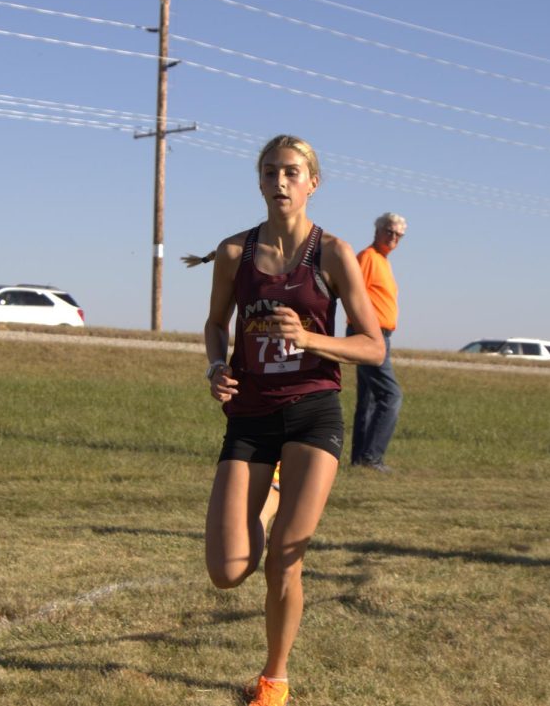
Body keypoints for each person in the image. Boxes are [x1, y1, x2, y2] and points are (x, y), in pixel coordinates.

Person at [203, 134, 385, 706]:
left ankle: (274, 678)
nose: (280, 182)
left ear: (312, 182)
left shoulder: (331, 252)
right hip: (250, 414)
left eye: (291, 172)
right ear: (259, 182)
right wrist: (215, 366)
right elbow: (215, 324)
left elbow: (373, 346)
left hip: (312, 409)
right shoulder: (234, 253)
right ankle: (274, 488)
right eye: (270, 172)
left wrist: (307, 337)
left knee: (285, 554)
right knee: (228, 570)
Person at [348, 212, 407, 472]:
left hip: (379, 335)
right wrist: (365, 332)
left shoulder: (383, 260)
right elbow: (352, 293)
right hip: (370, 335)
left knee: (369, 399)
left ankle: (361, 459)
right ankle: (372, 458)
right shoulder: (368, 258)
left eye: (398, 235)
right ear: (378, 230)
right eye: (390, 232)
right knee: (391, 395)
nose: (393, 238)